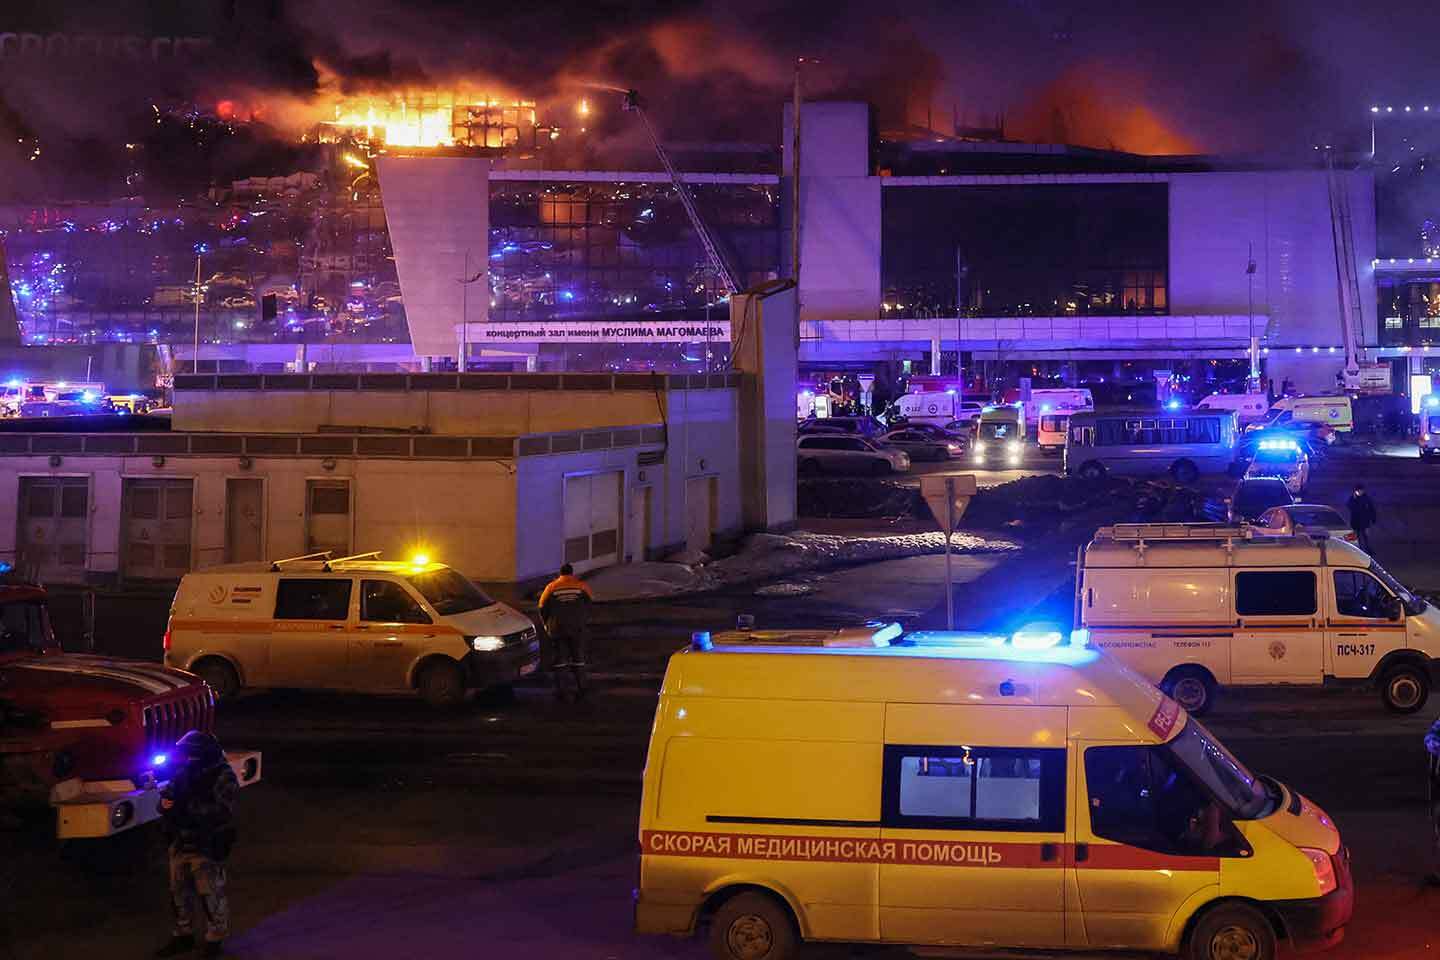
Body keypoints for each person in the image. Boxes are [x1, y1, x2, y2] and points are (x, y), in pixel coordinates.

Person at [156, 731, 239, 959]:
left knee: (210, 893)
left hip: (206, 844)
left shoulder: (222, 775)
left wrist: (185, 808)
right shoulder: (185, 771)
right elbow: (167, 800)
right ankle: (184, 935)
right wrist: (165, 805)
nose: (189, 757)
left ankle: (215, 940)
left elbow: (222, 811)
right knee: (178, 893)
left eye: (192, 753)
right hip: (181, 841)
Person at [538, 563, 593, 701]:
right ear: (572, 573)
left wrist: (546, 624)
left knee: (560, 659)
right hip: (577, 628)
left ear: (560, 574)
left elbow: (542, 607)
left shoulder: (551, 587)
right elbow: (590, 604)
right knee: (578, 657)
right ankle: (582, 688)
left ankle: (562, 690)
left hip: (558, 628)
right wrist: (583, 620)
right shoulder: (581, 585)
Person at [1347, 484, 1379, 554]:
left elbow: (1371, 509)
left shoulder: (1366, 498)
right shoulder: (1352, 498)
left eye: (1361, 491)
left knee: (1366, 537)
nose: (1360, 492)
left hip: (1365, 521)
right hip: (1356, 521)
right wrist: (1354, 499)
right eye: (1358, 491)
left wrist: (1373, 518)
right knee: (1358, 537)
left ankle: (1368, 549)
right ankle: (1360, 550)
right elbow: (1349, 506)